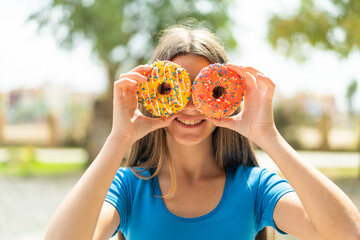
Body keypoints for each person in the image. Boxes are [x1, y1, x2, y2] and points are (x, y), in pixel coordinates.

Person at [44, 24, 360, 240]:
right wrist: (119, 140)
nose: (192, 107)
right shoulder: (129, 188)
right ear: (153, 92)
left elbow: (348, 234)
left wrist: (267, 136)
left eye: (207, 90)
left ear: (230, 94)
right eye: (174, 89)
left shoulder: (255, 188)